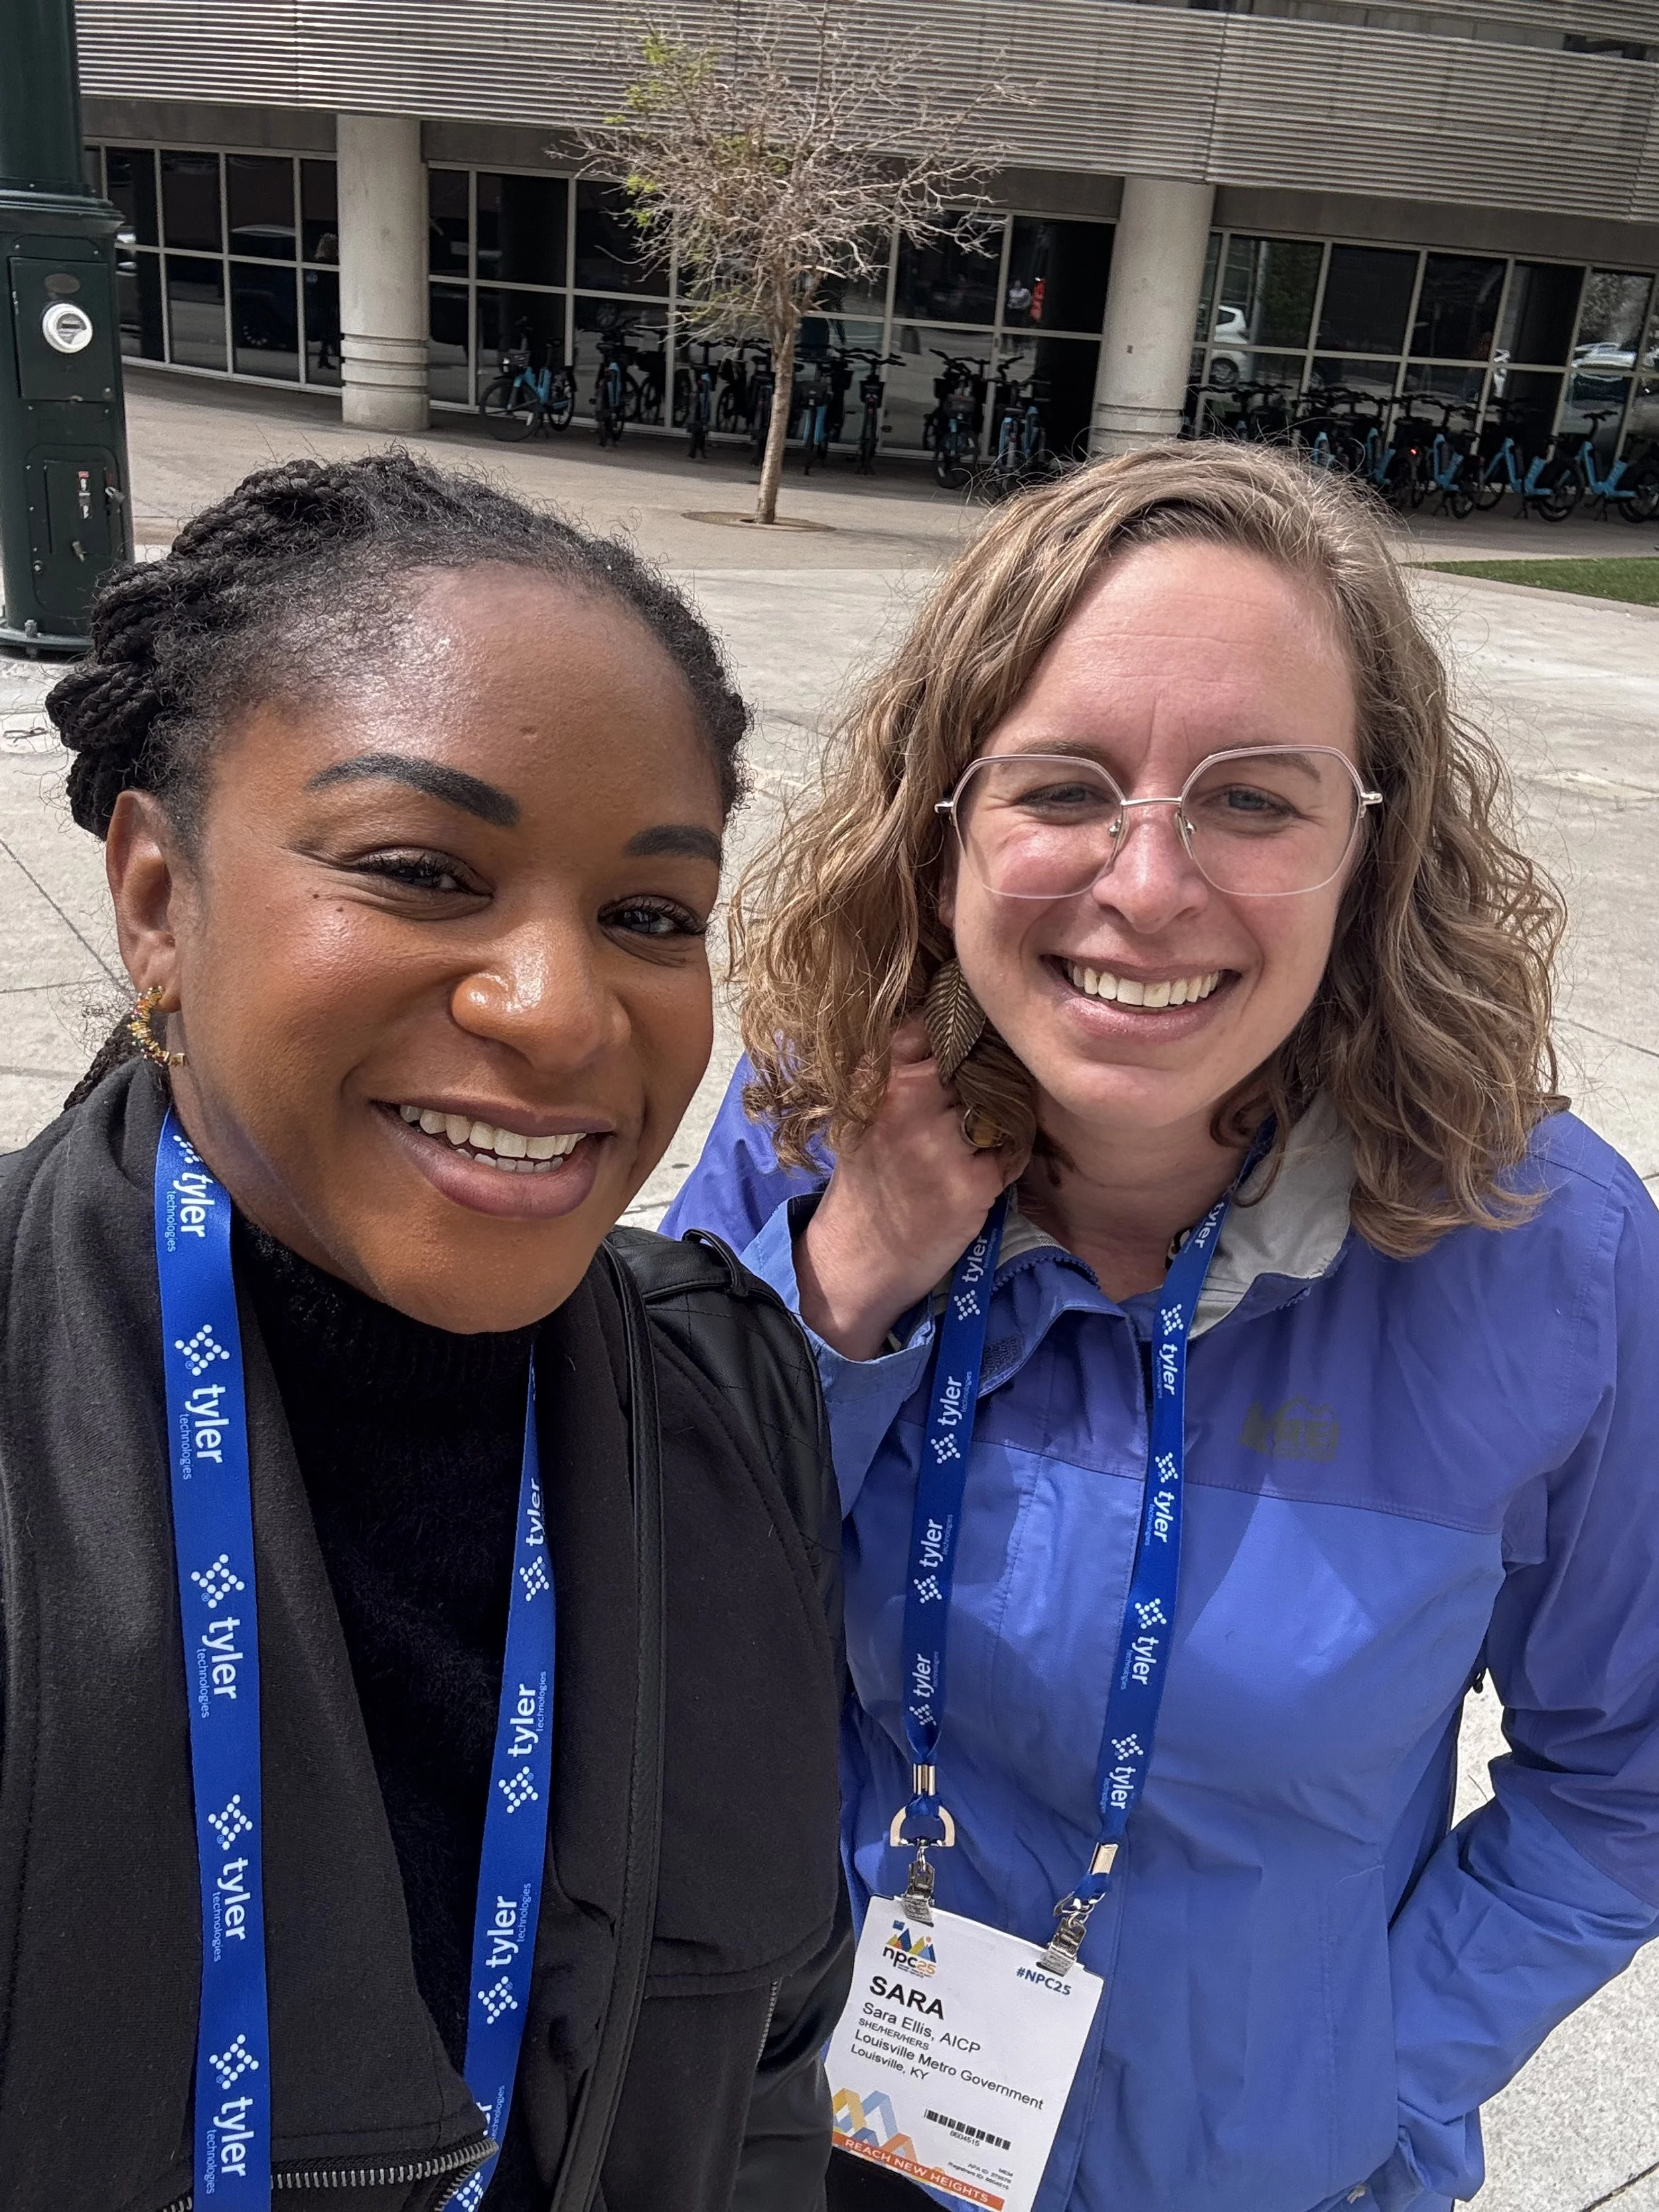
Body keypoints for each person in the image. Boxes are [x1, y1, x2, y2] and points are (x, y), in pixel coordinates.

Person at [662, 443, 1659, 2212]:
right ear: (940, 812)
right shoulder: (804, 1125)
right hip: (820, 2140)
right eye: (1061, 783)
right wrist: (847, 1279)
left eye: (1250, 798)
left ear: (1373, 840)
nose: (1145, 881)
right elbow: (642, 1611)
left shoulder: (1547, 1249)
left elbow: (1623, 1777)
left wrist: (1365, 2067)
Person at [0, 452, 849, 2212]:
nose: (553, 1009)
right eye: (419, 868)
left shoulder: (722, 1397)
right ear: (157, 896)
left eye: (647, 916)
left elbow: (767, 2056)